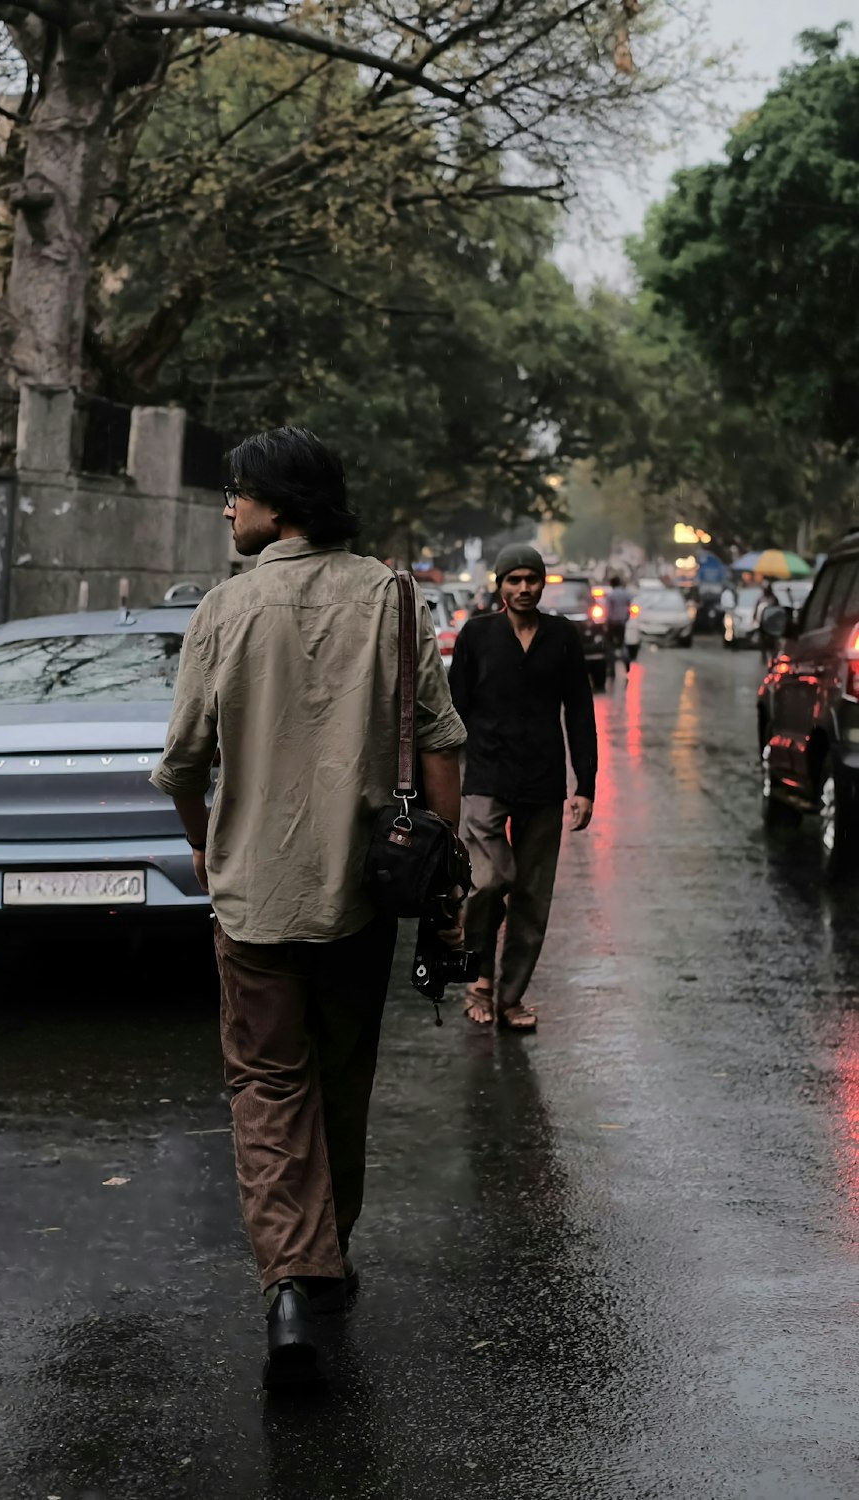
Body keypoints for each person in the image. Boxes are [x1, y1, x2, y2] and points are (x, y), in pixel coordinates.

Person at [151, 427, 466, 1391]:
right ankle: (329, 1261)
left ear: (278, 506)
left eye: (237, 493)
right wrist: (440, 869)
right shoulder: (395, 600)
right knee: (340, 1080)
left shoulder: (224, 609)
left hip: (251, 899)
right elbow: (442, 746)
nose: (227, 507)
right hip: (360, 899)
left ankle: (294, 1280)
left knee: (267, 1087)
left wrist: (202, 838)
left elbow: (182, 762)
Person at [448, 543, 597, 1031]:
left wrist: (586, 784)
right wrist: (447, 781)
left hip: (544, 780)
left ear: (543, 582)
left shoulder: (562, 637)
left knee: (534, 895)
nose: (523, 588)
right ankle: (479, 981)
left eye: (531, 579)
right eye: (513, 580)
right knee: (488, 881)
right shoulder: (477, 635)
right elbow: (456, 711)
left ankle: (510, 996)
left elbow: (579, 709)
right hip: (487, 776)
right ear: (500, 585)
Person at [605, 575, 633, 678]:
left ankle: (611, 669)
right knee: (622, 644)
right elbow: (629, 607)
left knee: (610, 645)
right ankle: (627, 662)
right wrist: (626, 618)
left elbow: (608, 611)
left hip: (612, 623)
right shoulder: (626, 594)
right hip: (622, 623)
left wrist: (606, 623)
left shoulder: (611, 595)